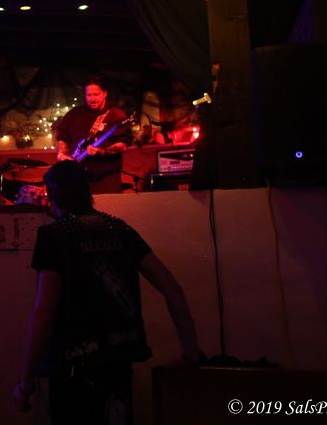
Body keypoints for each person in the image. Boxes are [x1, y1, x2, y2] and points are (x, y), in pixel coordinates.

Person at [13, 160, 200, 424]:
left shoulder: (53, 236)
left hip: (73, 372)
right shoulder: (121, 229)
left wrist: (26, 382)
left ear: (52, 194)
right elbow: (173, 289)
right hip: (119, 363)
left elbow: (45, 312)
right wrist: (191, 354)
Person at [56, 77, 131, 194]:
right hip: (78, 178)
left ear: (105, 93)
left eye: (96, 94)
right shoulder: (74, 113)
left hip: (106, 178)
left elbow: (122, 145)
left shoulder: (115, 115)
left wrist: (102, 151)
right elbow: (62, 136)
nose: (92, 99)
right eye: (89, 95)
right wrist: (62, 154)